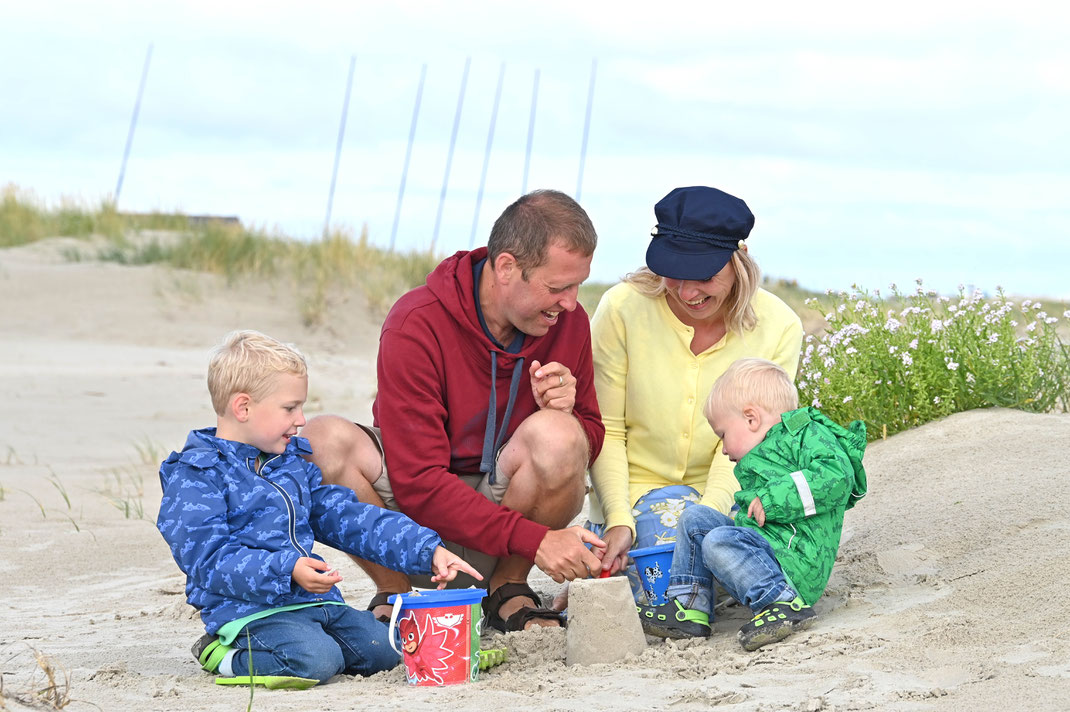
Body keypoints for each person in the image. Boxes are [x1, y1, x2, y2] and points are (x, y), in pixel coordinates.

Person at [302, 189, 606, 632]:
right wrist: (538, 540)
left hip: (508, 514)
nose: (572, 303)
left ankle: (508, 589)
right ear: (506, 268)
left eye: (578, 284)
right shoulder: (416, 322)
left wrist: (568, 412)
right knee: (319, 442)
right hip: (410, 530)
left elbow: (590, 440)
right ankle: (398, 593)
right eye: (557, 287)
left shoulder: (567, 322)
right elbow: (420, 483)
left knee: (561, 435)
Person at [156, 330, 481, 685]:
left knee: (387, 651)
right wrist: (288, 568)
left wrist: (425, 549)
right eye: (289, 408)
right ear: (243, 407)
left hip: (313, 603)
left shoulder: (289, 465)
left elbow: (349, 518)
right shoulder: (197, 475)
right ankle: (220, 654)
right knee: (315, 661)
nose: (300, 419)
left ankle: (318, 639)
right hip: (246, 612)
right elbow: (207, 560)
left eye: (301, 407)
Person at [587, 186, 804, 589]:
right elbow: (607, 429)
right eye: (673, 272)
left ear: (737, 261)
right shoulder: (621, 309)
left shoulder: (780, 327)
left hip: (727, 500)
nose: (687, 292)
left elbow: (752, 445)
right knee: (661, 578)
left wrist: (704, 526)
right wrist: (617, 519)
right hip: (631, 497)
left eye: (704, 275)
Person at [636, 358, 867, 650]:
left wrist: (772, 499)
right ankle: (690, 608)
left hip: (793, 562)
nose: (723, 448)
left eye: (723, 435)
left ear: (751, 419)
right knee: (695, 519)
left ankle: (782, 604)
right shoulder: (765, 451)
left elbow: (837, 477)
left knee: (719, 539)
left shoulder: (805, 435)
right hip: (768, 549)